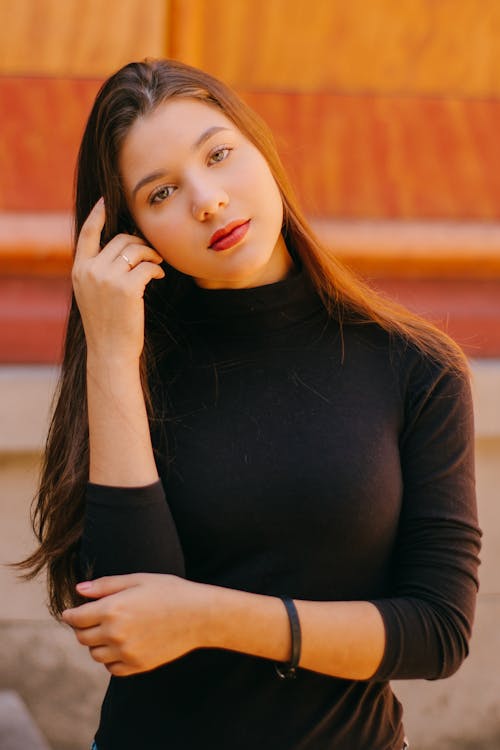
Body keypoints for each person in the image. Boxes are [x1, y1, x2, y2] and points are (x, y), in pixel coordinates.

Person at [19, 58, 481, 750]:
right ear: (131, 234)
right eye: (162, 192)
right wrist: (112, 354)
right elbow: (129, 628)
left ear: (262, 151)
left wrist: (206, 616)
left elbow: (438, 632)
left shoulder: (416, 367)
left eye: (220, 154)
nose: (207, 199)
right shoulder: (127, 364)